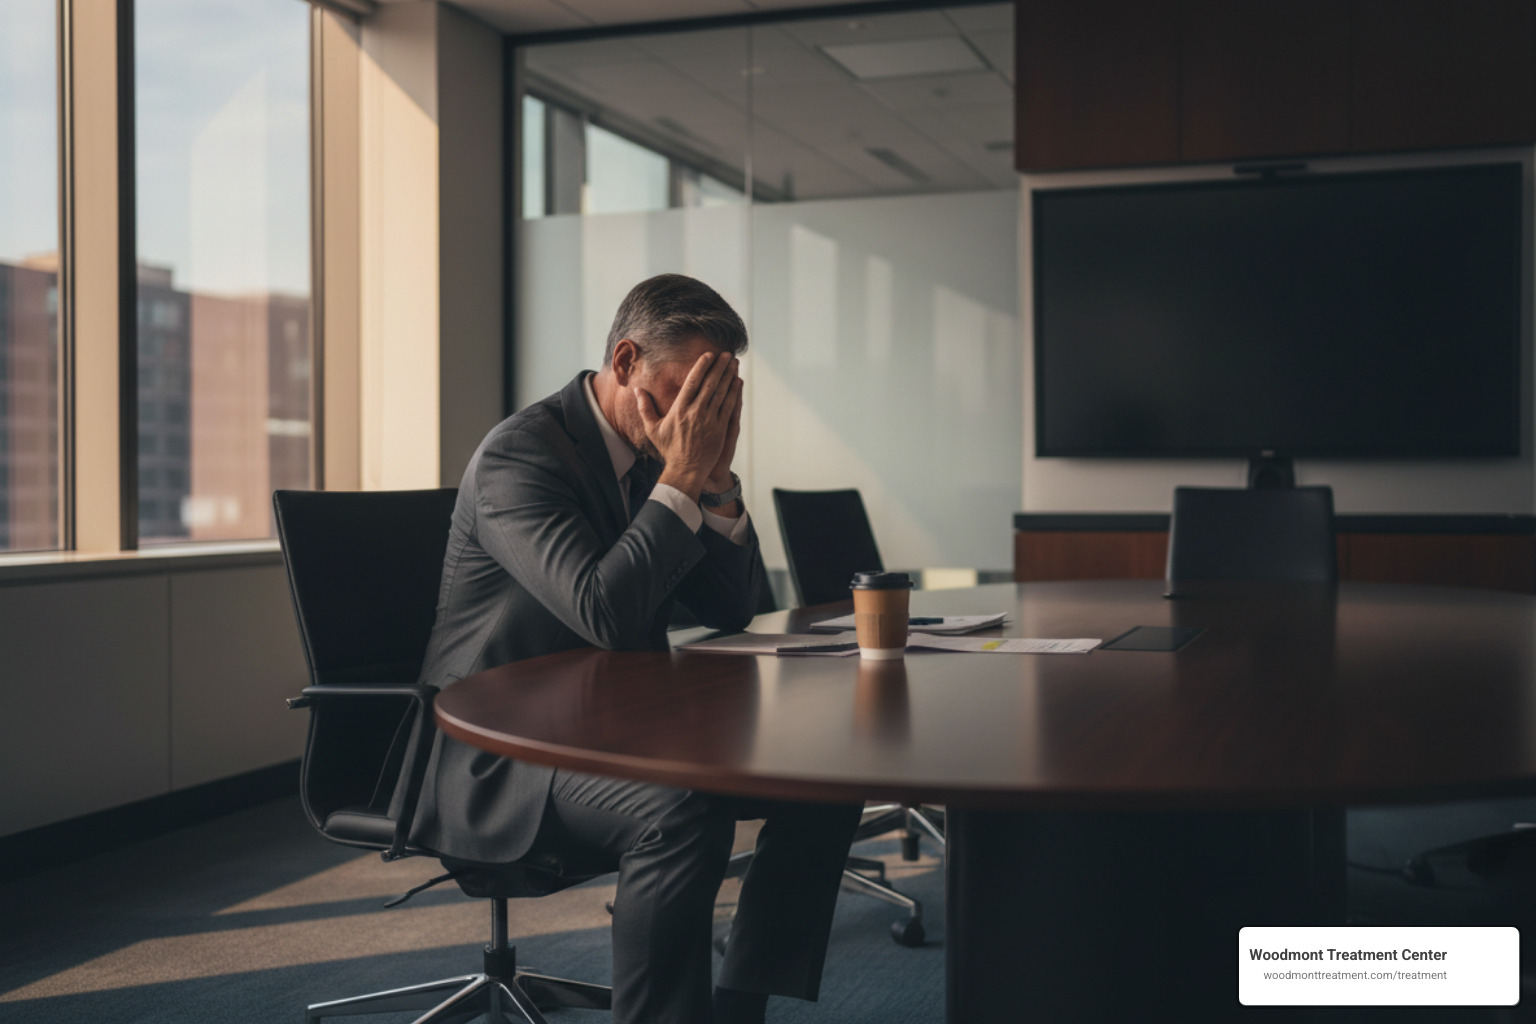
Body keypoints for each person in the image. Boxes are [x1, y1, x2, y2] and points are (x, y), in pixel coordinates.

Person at [410, 274, 863, 1024]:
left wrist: (714, 489)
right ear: (625, 362)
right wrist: (683, 478)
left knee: (828, 774)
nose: (697, 417)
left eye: (715, 398)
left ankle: (740, 1001)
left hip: (614, 727)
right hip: (501, 752)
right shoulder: (521, 459)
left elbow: (733, 612)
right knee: (680, 808)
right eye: (686, 390)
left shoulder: (660, 460)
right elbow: (605, 613)